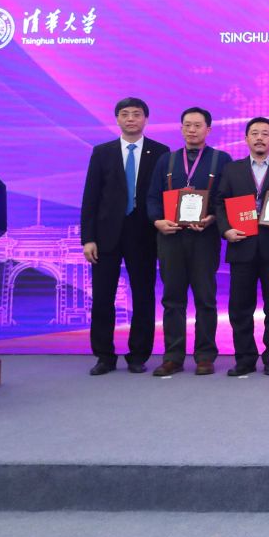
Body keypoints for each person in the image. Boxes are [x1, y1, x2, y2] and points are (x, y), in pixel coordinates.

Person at [80, 97, 167, 376]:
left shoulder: (160, 152)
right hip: (106, 235)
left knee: (143, 295)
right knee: (103, 296)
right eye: (125, 114)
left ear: (145, 119)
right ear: (117, 119)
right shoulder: (102, 152)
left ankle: (138, 354)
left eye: (136, 114)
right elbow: (90, 197)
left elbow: (164, 195)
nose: (131, 119)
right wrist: (88, 238)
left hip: (144, 234)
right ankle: (104, 356)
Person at [146, 107, 231, 376]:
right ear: (181, 128)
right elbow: (152, 197)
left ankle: (205, 356)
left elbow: (226, 198)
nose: (192, 130)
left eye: (197, 125)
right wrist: (157, 221)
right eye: (187, 125)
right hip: (170, 238)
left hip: (204, 238)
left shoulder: (221, 160)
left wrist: (212, 218)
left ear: (208, 129)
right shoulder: (167, 160)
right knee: (173, 299)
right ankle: (173, 356)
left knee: (205, 298)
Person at [214, 117, 269, 377]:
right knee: (240, 306)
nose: (260, 137)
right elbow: (219, 202)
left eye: (265, 133)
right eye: (254, 133)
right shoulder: (232, 169)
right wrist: (226, 230)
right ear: (246, 138)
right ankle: (245, 357)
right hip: (241, 244)